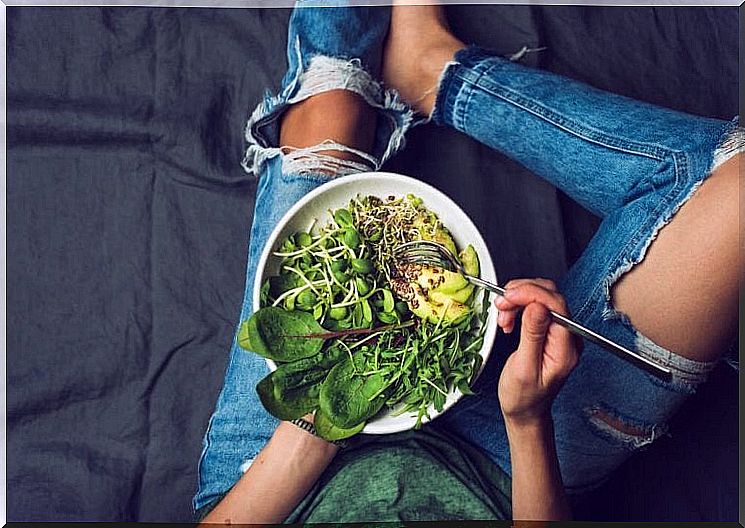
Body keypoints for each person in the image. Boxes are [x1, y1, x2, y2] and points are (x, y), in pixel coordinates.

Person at [194, 2, 742, 524]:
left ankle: (423, 67)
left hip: (281, 486)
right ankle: (440, 73)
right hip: (500, 471)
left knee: (331, 112)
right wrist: (528, 420)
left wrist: (311, 428)